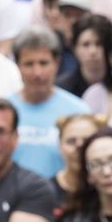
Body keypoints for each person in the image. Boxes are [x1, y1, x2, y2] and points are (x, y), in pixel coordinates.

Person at [10, 26, 91, 179]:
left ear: (57, 63)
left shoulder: (78, 111)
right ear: (17, 65)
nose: (37, 73)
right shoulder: (5, 111)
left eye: (43, 63)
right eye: (29, 64)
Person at [47, 112, 102, 212]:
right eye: (71, 141)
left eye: (87, 140)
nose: (80, 146)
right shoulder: (45, 191)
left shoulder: (111, 186)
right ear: (60, 146)